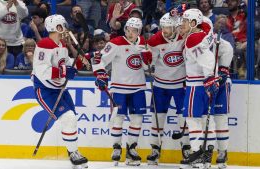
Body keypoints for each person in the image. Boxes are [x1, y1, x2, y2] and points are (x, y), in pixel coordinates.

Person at [31, 14, 88, 169]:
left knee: (72, 119)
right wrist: (64, 72)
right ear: (56, 27)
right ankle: (74, 152)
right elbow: (42, 70)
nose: (66, 28)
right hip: (45, 90)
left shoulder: (61, 44)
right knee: (69, 118)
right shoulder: (44, 44)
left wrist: (79, 64)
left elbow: (66, 63)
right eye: (63, 25)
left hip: (60, 88)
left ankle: (72, 151)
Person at [93, 17, 147, 166]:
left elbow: (148, 67)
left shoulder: (143, 43)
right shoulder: (115, 43)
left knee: (137, 118)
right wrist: (100, 74)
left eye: (134, 30)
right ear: (125, 29)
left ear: (139, 31)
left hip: (138, 87)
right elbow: (99, 59)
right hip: (119, 87)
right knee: (118, 118)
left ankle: (132, 148)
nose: (131, 33)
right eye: (129, 30)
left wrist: (148, 59)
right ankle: (116, 147)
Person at [143, 13, 190, 165]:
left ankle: (186, 148)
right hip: (160, 85)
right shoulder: (155, 40)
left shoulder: (185, 37)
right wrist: (147, 58)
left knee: (184, 117)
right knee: (158, 117)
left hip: (180, 84)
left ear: (176, 27)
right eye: (163, 27)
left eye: (168, 27)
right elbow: (147, 65)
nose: (165, 30)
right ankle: (155, 148)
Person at [179, 9, 218, 169]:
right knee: (204, 119)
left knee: (192, 118)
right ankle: (207, 155)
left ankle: (196, 153)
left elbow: (206, 58)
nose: (182, 25)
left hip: (196, 85)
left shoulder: (193, 38)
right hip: (204, 84)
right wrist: (212, 78)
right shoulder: (205, 34)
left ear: (194, 23)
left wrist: (209, 76)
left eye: (185, 22)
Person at [212, 31, 234, 169]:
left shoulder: (223, 45)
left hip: (220, 84)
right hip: (201, 84)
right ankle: (203, 151)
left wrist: (220, 75)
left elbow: (223, 71)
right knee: (200, 119)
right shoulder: (194, 42)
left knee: (220, 117)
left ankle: (222, 152)